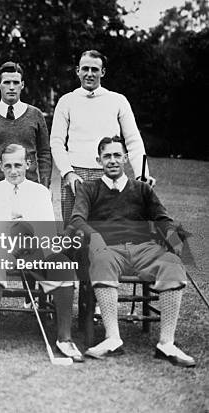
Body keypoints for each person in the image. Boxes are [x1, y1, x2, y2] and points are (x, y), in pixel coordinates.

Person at [70, 136, 195, 367]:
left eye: (117, 155)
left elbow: (163, 219)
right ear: (99, 160)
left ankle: (166, 343)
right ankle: (113, 338)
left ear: (126, 158)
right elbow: (77, 220)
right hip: (108, 249)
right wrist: (94, 235)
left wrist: (176, 242)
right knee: (101, 260)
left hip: (143, 248)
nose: (113, 160)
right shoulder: (89, 188)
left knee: (171, 263)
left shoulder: (142, 189)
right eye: (107, 156)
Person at [0, 144, 82, 360]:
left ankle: (65, 338)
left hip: (35, 249)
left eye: (18, 165)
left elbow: (48, 233)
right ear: (1, 166)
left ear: (28, 164)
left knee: (61, 265)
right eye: (8, 166)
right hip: (2, 246)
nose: (13, 171)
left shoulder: (40, 192)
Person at [50, 49, 155, 224]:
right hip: (75, 177)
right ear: (77, 71)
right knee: (74, 235)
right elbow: (56, 142)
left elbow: (134, 141)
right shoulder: (66, 101)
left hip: (110, 173)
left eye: (95, 69)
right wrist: (68, 173)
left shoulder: (118, 100)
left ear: (103, 72)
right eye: (85, 69)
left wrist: (142, 174)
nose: (89, 74)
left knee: (110, 233)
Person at [0, 61, 51, 188]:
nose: (11, 87)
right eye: (6, 82)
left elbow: (44, 153)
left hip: (29, 186)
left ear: (22, 85)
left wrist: (45, 183)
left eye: (16, 83)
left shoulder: (36, 115)